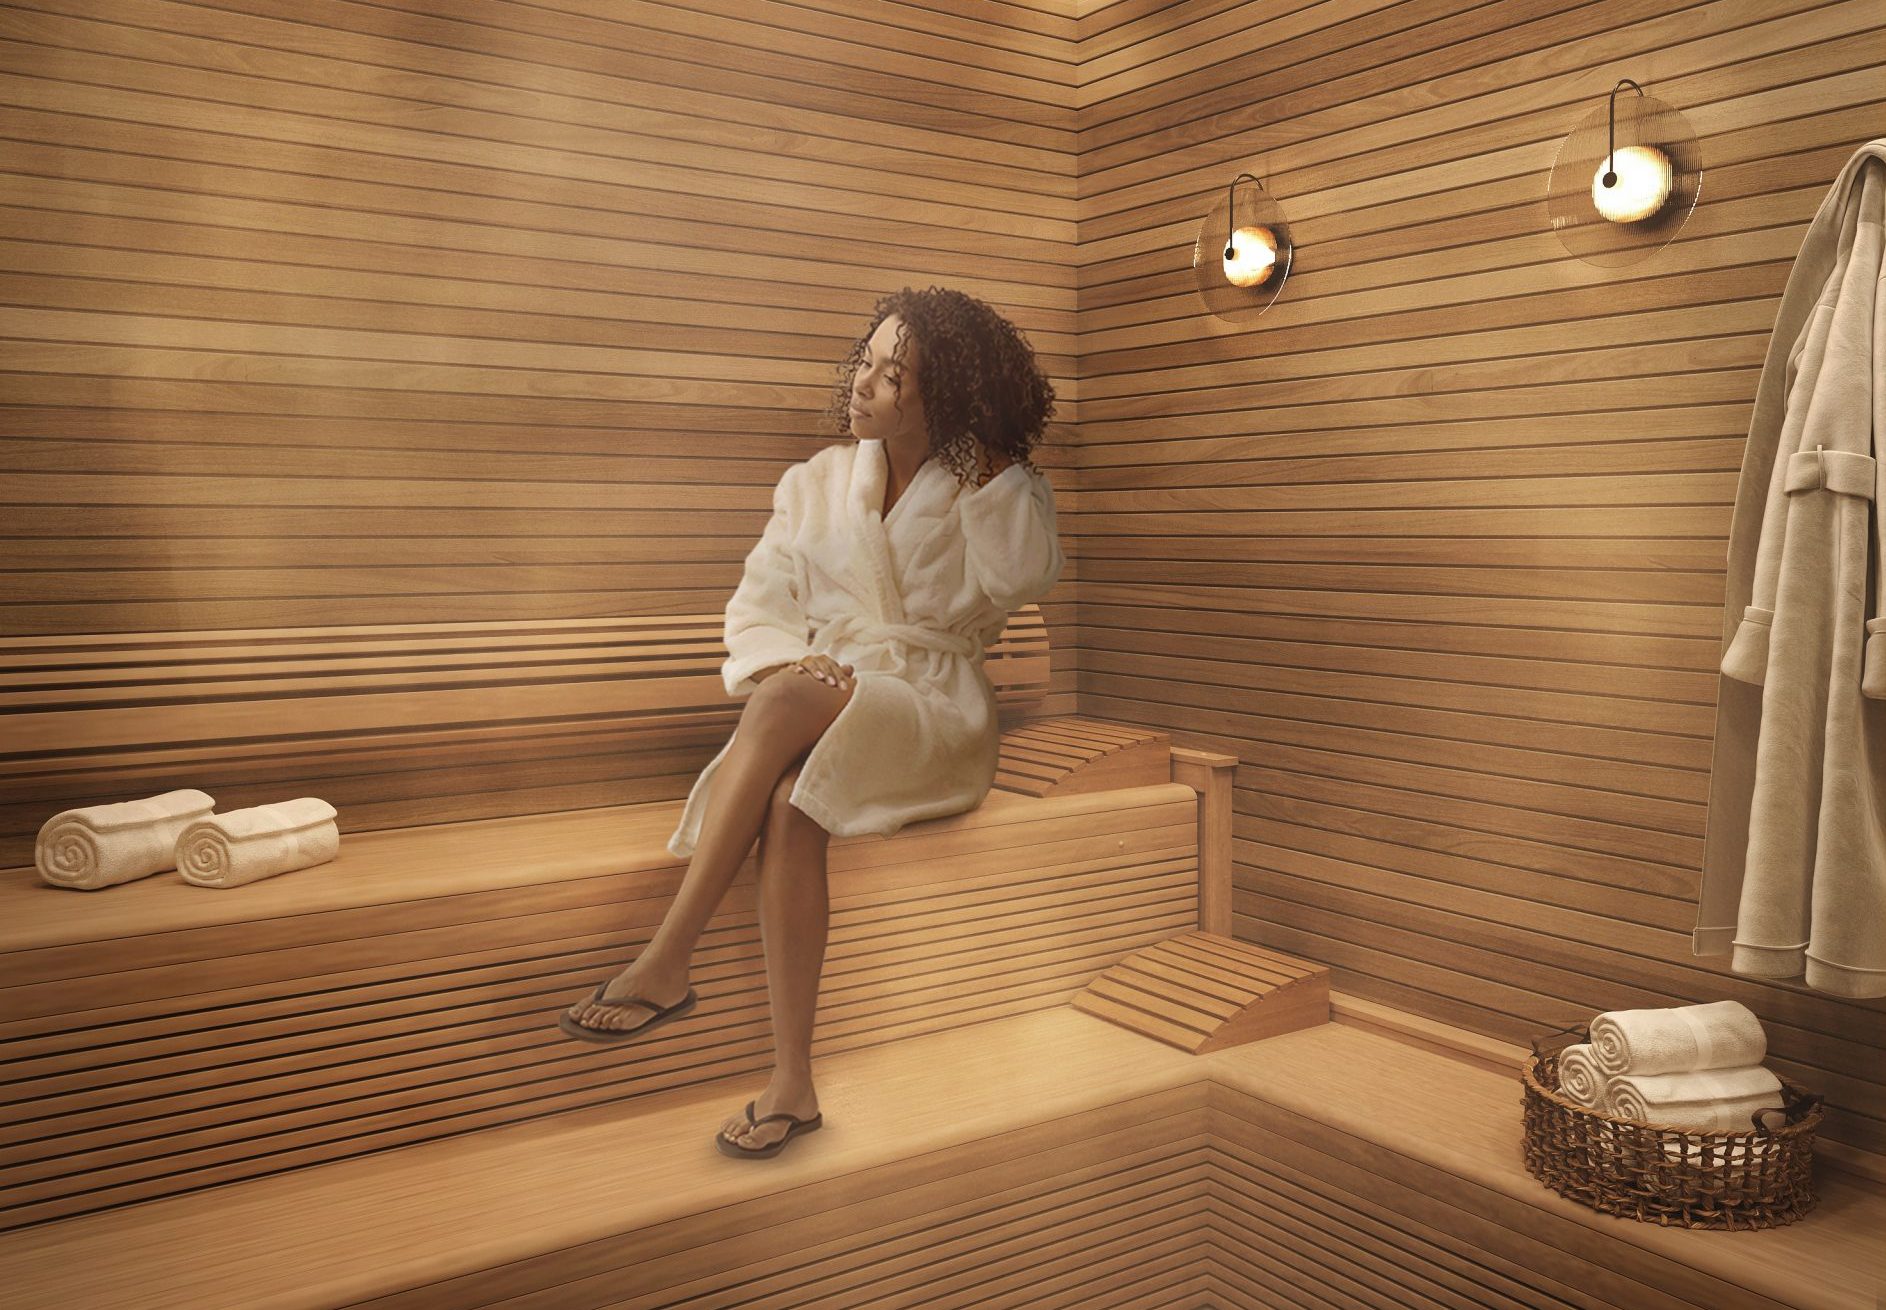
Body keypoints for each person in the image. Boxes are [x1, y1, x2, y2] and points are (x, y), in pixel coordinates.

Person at [558, 286, 1065, 1159]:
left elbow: (1022, 580)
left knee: (786, 702)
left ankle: (669, 957)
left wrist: (990, 473)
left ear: (948, 393)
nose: (862, 384)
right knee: (795, 803)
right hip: (837, 689)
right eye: (865, 362)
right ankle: (792, 1083)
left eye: (893, 373)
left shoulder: (993, 481)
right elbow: (761, 601)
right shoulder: (816, 482)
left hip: (935, 705)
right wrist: (791, 657)